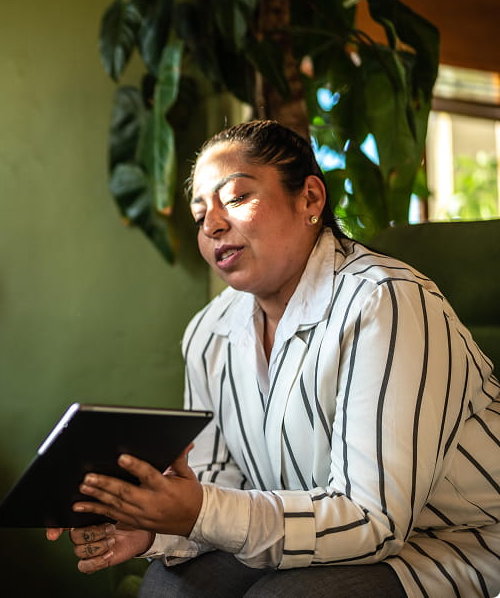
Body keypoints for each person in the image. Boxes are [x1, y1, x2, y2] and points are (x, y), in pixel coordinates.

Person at [48, 120, 500, 597]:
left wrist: (199, 512)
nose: (213, 224)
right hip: (327, 540)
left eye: (238, 198)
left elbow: (374, 519)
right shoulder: (208, 333)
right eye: (200, 213)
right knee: (171, 584)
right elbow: (217, 484)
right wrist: (155, 527)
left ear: (310, 198)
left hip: (461, 541)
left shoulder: (384, 302)